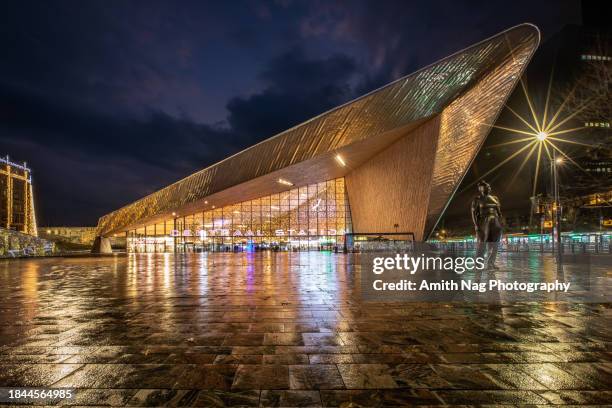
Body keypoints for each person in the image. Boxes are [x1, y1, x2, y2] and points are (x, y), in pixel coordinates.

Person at [471, 180, 503, 269]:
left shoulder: (495, 198)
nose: (488, 188)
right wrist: (476, 225)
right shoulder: (477, 199)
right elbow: (473, 213)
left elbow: (499, 212)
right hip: (483, 222)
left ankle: (491, 263)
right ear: (480, 188)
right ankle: (478, 264)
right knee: (482, 244)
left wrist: (500, 222)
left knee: (496, 244)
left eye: (488, 186)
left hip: (495, 221)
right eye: (485, 186)